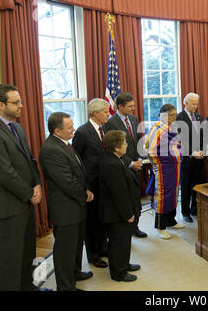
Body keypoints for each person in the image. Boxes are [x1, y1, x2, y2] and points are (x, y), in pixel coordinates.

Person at [0, 84, 43, 291]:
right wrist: (28, 194)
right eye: (16, 103)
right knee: (11, 260)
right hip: (8, 207)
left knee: (27, 254)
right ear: (0, 105)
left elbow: (29, 160)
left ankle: (28, 286)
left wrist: (37, 184)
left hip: (24, 202)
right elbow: (3, 173)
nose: (22, 106)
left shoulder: (17, 127)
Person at [39, 112, 94, 291]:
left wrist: (85, 189)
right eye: (69, 127)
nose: (74, 129)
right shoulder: (51, 149)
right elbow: (66, 181)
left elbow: (78, 170)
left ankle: (75, 272)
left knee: (77, 244)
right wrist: (84, 194)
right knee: (65, 250)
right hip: (66, 208)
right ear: (57, 130)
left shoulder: (65, 144)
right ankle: (65, 286)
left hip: (76, 205)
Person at [72, 99, 110, 269]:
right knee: (92, 221)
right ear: (96, 113)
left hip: (104, 181)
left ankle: (102, 248)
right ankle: (93, 255)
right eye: (106, 112)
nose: (108, 115)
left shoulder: (105, 129)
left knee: (102, 217)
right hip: (91, 183)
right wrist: (85, 185)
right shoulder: (82, 132)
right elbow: (77, 160)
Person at [99, 130, 141, 282]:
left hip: (119, 211)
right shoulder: (111, 164)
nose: (127, 145)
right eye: (124, 143)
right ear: (116, 147)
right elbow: (119, 193)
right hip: (116, 213)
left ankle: (124, 264)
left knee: (124, 241)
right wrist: (128, 213)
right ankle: (118, 272)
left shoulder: (117, 158)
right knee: (118, 242)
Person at [103, 92, 147, 238]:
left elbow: (138, 140)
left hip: (137, 164)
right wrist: (130, 163)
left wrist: (140, 158)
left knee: (136, 199)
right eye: (130, 106)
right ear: (119, 106)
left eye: (133, 105)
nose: (133, 108)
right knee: (127, 199)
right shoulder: (111, 123)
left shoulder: (133, 119)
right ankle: (128, 227)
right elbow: (114, 147)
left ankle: (135, 226)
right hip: (124, 166)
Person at [145, 104, 184, 240]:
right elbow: (150, 150)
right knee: (162, 194)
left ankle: (171, 220)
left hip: (174, 166)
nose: (174, 117)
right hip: (163, 167)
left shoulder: (171, 127)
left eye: (175, 114)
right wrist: (158, 164)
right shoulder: (157, 128)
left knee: (173, 193)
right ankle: (161, 227)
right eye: (172, 115)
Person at [176, 92, 204, 223]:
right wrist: (193, 152)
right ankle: (185, 212)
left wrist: (203, 150)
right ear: (185, 103)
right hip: (187, 158)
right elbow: (181, 140)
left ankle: (194, 209)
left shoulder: (198, 117)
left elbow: (202, 135)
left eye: (196, 104)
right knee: (186, 186)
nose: (195, 106)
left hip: (199, 158)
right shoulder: (178, 118)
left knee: (196, 185)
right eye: (193, 104)